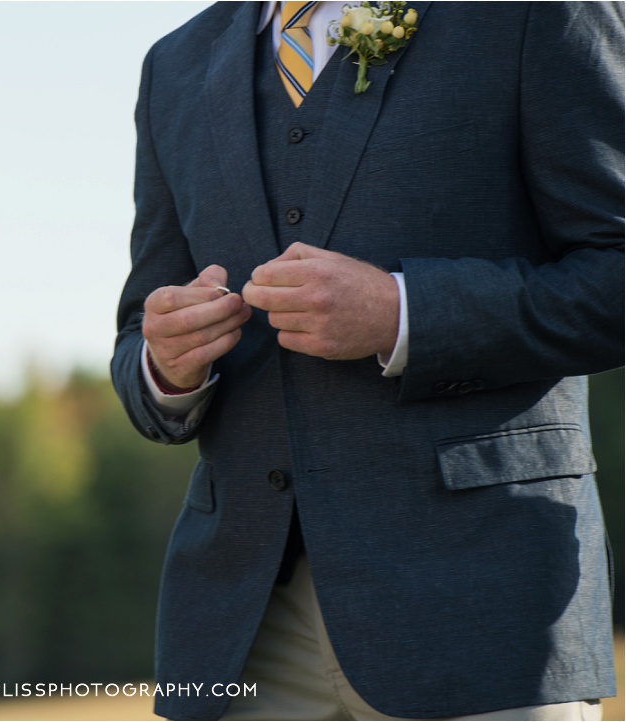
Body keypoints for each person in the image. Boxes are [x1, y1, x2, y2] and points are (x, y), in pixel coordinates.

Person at [111, 1, 623, 719]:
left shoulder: (535, 12)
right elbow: (139, 336)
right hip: (240, 625)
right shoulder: (175, 63)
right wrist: (166, 367)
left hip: (481, 605)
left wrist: (403, 311)